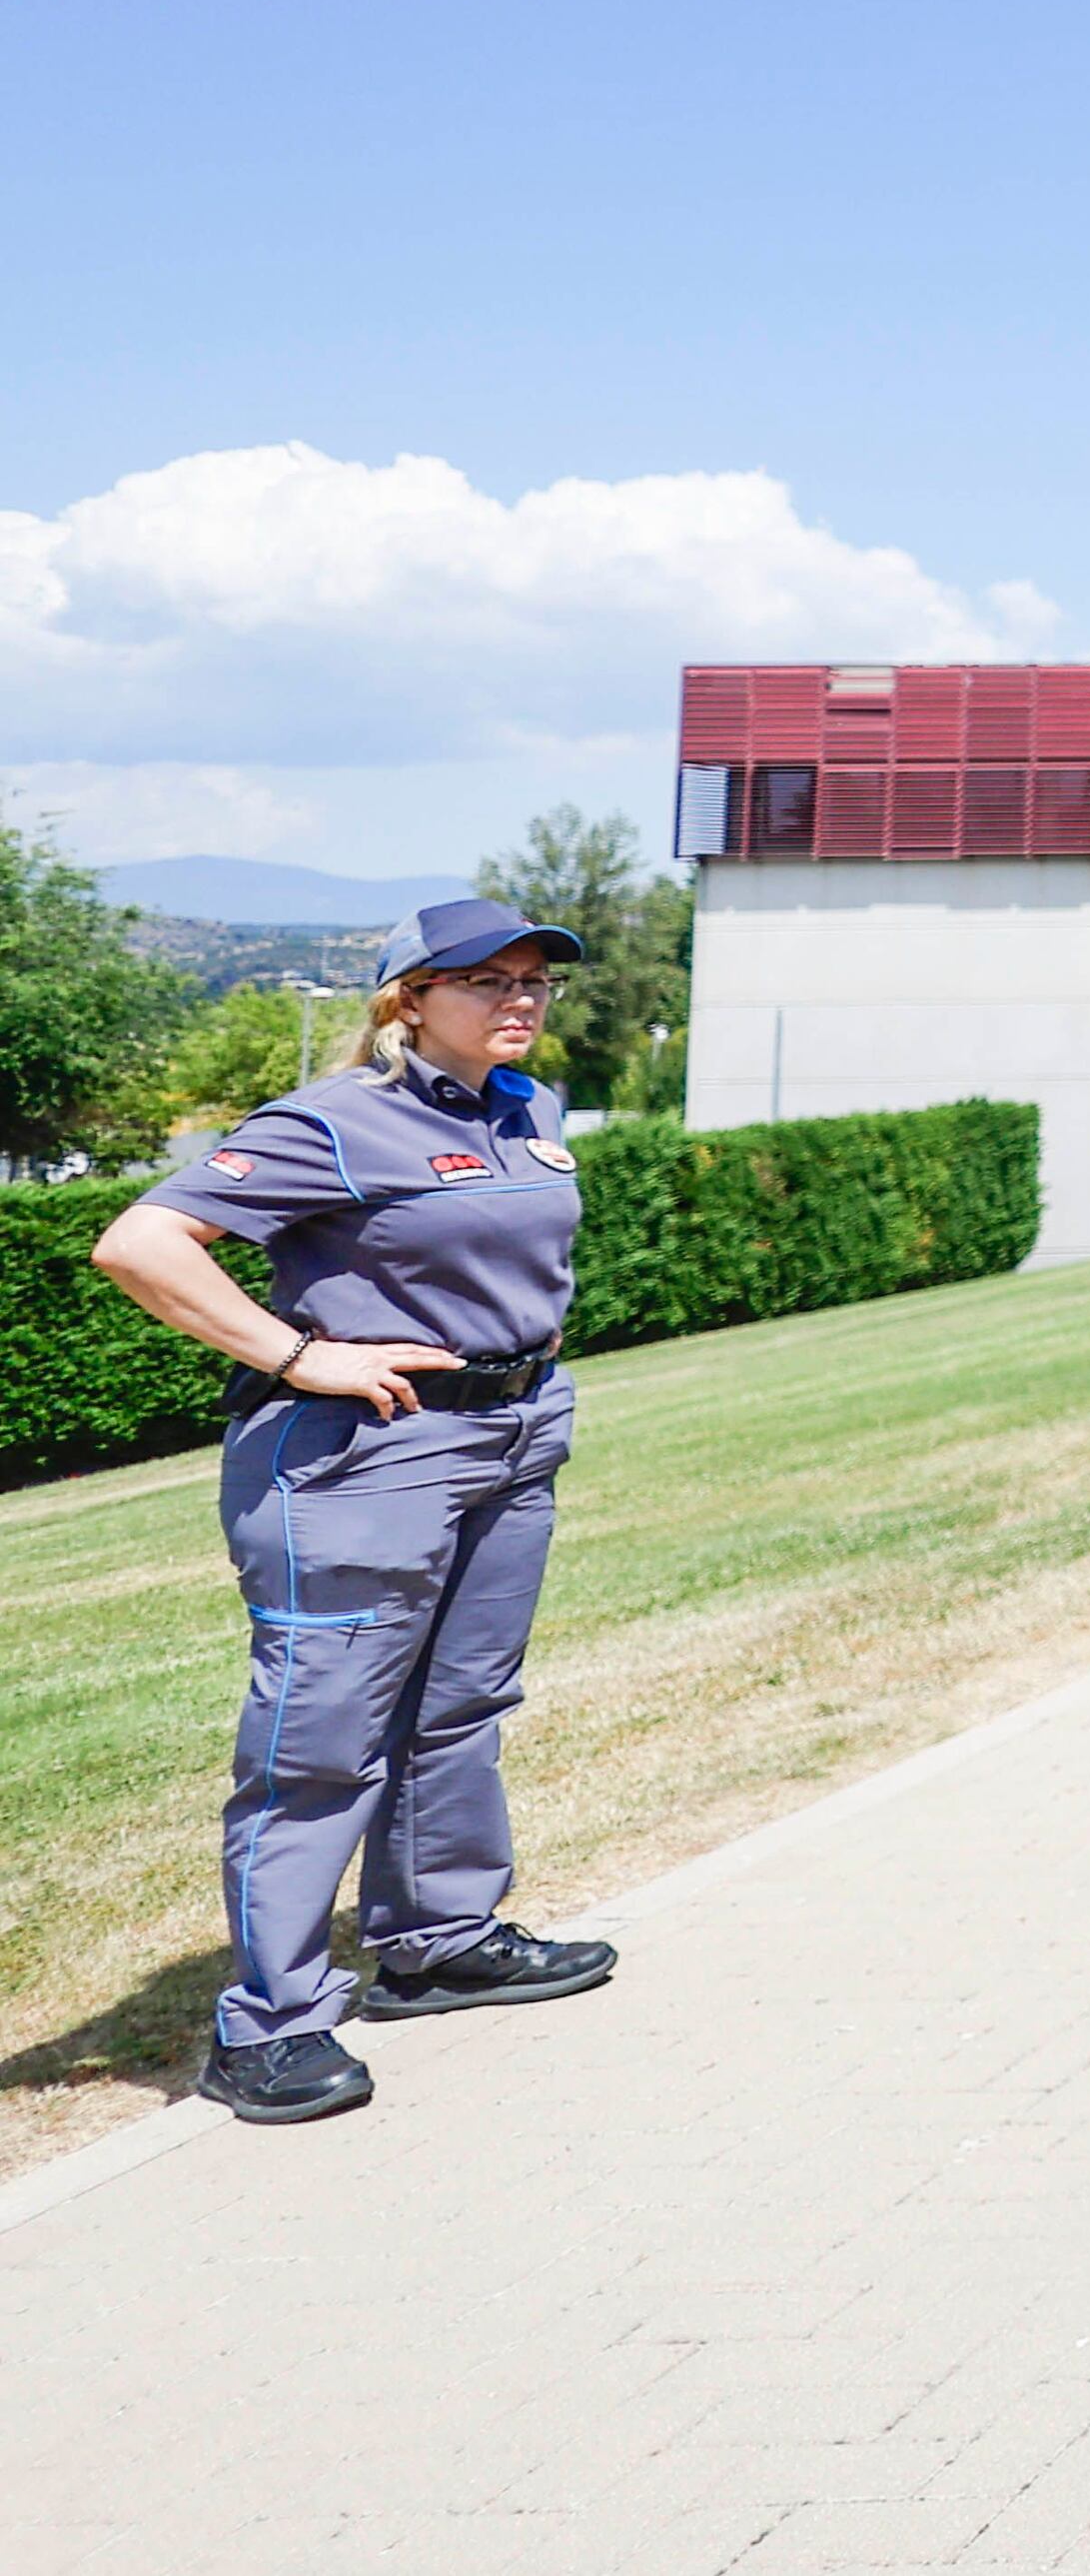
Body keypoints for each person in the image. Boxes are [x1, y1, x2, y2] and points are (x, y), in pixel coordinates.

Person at [88, 899, 624, 2125]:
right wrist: (298, 1355)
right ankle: (268, 2025)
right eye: (485, 980)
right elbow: (143, 1242)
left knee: (461, 1701)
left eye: (535, 978)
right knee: (322, 1736)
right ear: (407, 1001)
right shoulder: (334, 1121)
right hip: (369, 1451)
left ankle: (438, 1940)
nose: (521, 998)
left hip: (513, 1428)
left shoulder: (526, 1109)